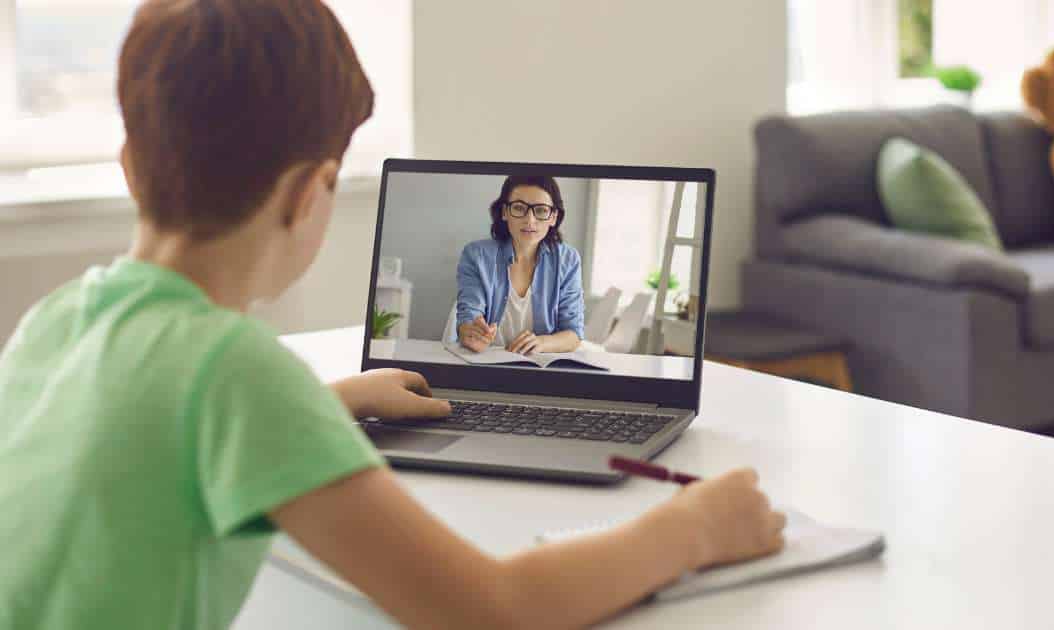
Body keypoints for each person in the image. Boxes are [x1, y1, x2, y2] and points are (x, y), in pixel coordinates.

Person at [0, 1, 785, 629]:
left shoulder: (55, 321)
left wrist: (325, 403)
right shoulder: (232, 372)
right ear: (313, 194)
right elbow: (491, 609)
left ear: (131, 166)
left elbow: (161, 428)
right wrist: (697, 528)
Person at [453, 176, 585, 355]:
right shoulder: (477, 255)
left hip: (541, 369)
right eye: (519, 208)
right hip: (487, 363)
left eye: (540, 210)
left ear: (553, 217)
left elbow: (574, 333)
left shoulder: (568, 260)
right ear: (504, 212)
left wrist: (542, 343)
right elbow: (468, 316)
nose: (529, 220)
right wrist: (471, 332)